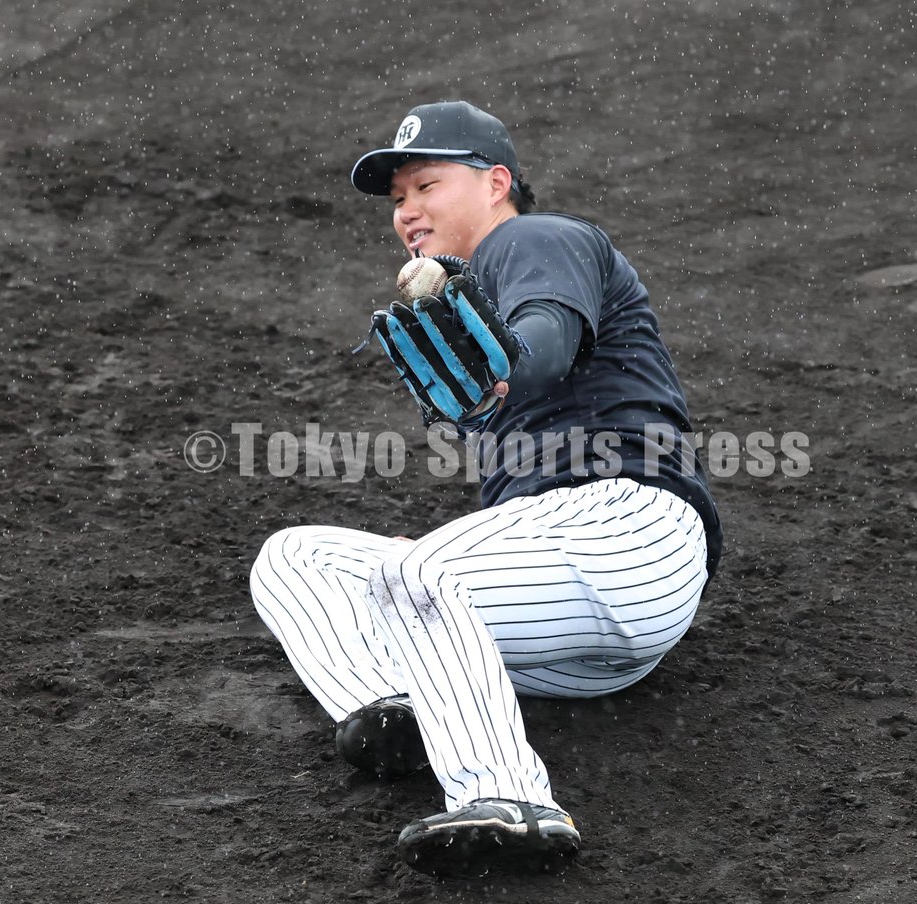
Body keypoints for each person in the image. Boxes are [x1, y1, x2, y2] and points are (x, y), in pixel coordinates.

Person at [249, 100, 723, 880]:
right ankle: (403, 711)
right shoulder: (469, 303)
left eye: (426, 185)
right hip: (569, 628)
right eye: (398, 198)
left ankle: (510, 799)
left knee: (414, 573)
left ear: (496, 183)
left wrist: (507, 364)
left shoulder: (534, 239)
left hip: (629, 530)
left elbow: (548, 339)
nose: (407, 211)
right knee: (296, 558)